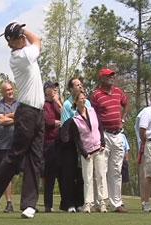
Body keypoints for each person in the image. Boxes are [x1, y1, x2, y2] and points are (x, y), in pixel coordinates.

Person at [0, 22, 45, 219]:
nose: (24, 37)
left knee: (35, 158)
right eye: (19, 36)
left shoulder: (25, 53)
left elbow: (34, 42)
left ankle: (29, 205)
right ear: (12, 42)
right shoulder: (19, 57)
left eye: (22, 34)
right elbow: (38, 40)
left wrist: (19, 29)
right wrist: (23, 29)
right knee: (15, 156)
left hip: (39, 112)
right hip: (26, 112)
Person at [91, 68, 129, 213]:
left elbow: (126, 103)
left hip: (118, 134)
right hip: (103, 134)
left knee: (116, 170)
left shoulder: (119, 92)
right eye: (108, 76)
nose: (111, 78)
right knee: (102, 170)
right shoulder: (96, 95)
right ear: (102, 78)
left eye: (112, 76)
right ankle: (101, 202)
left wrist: (123, 118)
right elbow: (92, 114)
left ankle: (116, 203)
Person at [70, 91, 105, 213]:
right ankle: (88, 203)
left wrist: (103, 143)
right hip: (87, 153)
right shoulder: (75, 119)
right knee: (88, 178)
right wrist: (84, 153)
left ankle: (101, 202)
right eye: (80, 98)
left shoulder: (92, 111)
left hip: (99, 149)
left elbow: (100, 127)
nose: (83, 100)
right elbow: (77, 139)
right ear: (76, 101)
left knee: (100, 176)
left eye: (84, 98)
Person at [59, 78, 90, 213]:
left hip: (86, 142)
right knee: (70, 175)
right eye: (77, 85)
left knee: (83, 175)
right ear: (71, 89)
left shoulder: (88, 102)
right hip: (71, 144)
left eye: (81, 84)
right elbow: (66, 125)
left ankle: (81, 202)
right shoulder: (67, 104)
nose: (80, 86)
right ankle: (69, 203)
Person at [0, 82, 19, 213]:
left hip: (19, 145)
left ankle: (26, 203)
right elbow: (0, 121)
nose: (10, 91)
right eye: (7, 90)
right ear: (3, 92)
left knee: (20, 173)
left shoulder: (19, 104)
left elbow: (23, 117)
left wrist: (7, 116)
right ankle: (9, 203)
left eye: (11, 89)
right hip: (4, 146)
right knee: (6, 175)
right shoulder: (0, 105)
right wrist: (16, 117)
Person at [43, 81, 62, 213]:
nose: (55, 89)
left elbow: (65, 115)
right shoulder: (42, 104)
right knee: (49, 176)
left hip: (60, 143)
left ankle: (65, 203)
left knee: (62, 175)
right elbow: (45, 121)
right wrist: (54, 123)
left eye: (56, 88)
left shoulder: (58, 103)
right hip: (48, 143)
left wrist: (57, 101)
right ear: (46, 90)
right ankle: (48, 205)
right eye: (52, 88)